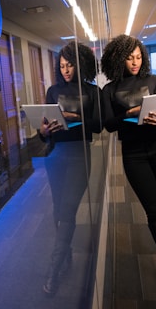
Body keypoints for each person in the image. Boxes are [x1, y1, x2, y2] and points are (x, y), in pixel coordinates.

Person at [101, 34, 156, 301]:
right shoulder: (109, 90)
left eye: (139, 57)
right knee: (153, 211)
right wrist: (128, 114)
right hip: (134, 154)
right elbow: (109, 124)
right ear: (118, 58)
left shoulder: (154, 81)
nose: (135, 62)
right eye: (130, 57)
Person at [39, 41, 102, 295]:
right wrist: (43, 132)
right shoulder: (52, 91)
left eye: (70, 65)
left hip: (79, 156)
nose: (66, 70)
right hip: (56, 155)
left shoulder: (92, 90)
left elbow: (98, 126)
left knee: (67, 209)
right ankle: (66, 255)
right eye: (62, 65)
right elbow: (44, 131)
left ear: (80, 64)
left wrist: (77, 118)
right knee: (58, 210)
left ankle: (54, 268)